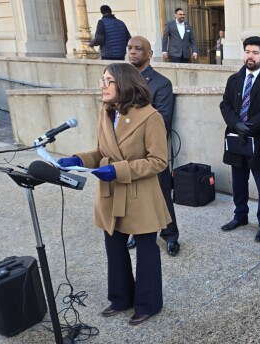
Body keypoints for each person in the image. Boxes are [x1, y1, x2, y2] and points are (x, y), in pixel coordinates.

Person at [57, 63, 170, 325]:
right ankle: (120, 298)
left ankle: (148, 304)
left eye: (108, 80)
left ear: (124, 83)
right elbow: (100, 151)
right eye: (102, 79)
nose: (102, 85)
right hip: (110, 193)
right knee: (114, 247)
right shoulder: (106, 112)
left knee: (146, 252)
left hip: (139, 194)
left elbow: (158, 161)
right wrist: (79, 159)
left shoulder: (151, 116)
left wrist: (117, 170)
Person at [219, 36, 260, 241]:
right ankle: (240, 216)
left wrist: (249, 127)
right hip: (236, 139)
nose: (250, 56)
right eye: (247, 51)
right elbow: (225, 105)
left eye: (255, 52)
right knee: (239, 181)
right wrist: (236, 124)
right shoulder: (234, 79)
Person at [125, 35, 180, 257]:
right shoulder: (121, 82)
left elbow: (163, 120)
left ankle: (170, 236)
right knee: (133, 196)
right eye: (130, 48)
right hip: (126, 154)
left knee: (162, 196)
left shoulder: (161, 83)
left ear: (149, 54)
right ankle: (137, 233)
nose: (133, 51)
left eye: (138, 48)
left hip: (152, 153)